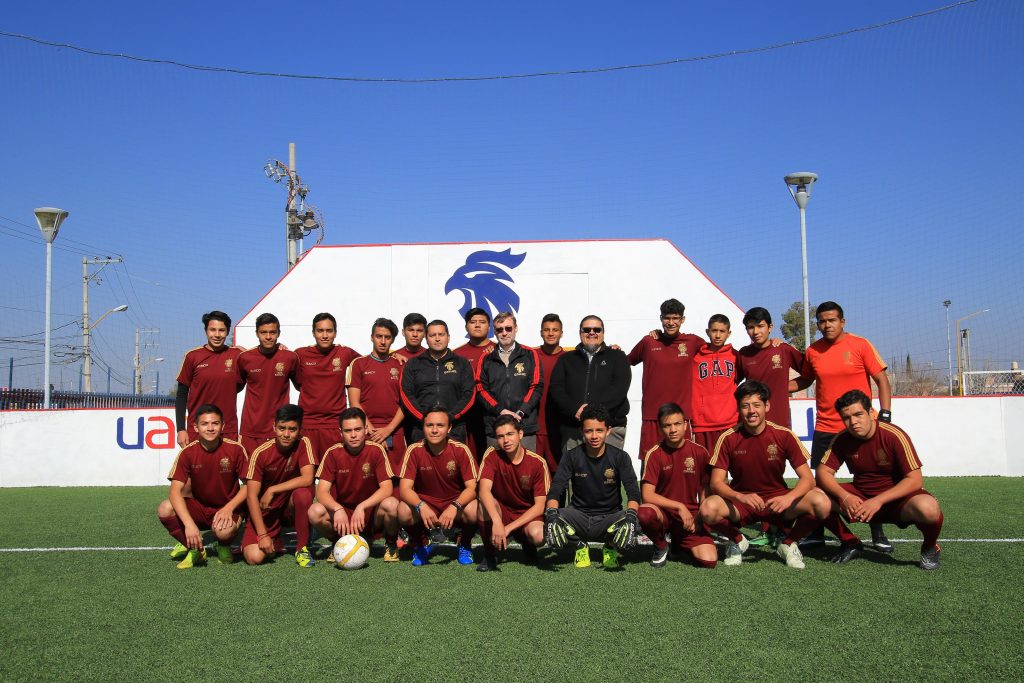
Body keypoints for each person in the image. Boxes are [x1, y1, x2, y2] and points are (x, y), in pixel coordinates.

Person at [699, 382, 860, 569]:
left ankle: (788, 544)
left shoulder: (783, 435)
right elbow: (716, 483)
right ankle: (737, 540)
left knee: (821, 502)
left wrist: (787, 498)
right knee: (707, 509)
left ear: (767, 406)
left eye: (757, 405)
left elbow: (808, 479)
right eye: (745, 406)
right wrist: (740, 496)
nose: (751, 411)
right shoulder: (728, 438)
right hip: (742, 501)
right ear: (738, 409)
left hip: (777, 500)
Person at [790, 301, 894, 551]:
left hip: (860, 427)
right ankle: (816, 531)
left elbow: (881, 379)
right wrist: (772, 387)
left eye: (831, 320)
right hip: (826, 427)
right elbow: (804, 380)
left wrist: (886, 415)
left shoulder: (860, 345)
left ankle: (876, 530)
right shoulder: (813, 351)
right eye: (822, 321)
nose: (826, 325)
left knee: (869, 480)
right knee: (819, 481)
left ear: (842, 322)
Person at [816, 390, 945, 569]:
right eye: (846, 418)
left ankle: (930, 547)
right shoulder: (842, 439)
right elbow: (823, 473)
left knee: (929, 508)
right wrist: (845, 496)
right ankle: (851, 542)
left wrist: (878, 501)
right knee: (814, 496)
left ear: (871, 413)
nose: (853, 422)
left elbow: (915, 480)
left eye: (858, 414)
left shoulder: (893, 435)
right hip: (861, 498)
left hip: (896, 502)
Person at [544, 404, 641, 569]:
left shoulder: (620, 457)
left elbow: (633, 493)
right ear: (582, 432)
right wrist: (552, 514)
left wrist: (630, 516)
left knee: (636, 521)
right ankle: (580, 546)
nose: (594, 436)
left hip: (609, 519)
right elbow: (555, 490)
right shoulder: (571, 457)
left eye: (599, 430)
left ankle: (610, 546)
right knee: (553, 518)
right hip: (579, 517)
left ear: (608, 430)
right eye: (589, 431)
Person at [158, 404, 248, 569]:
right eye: (205, 424)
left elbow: (249, 486)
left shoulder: (235, 449)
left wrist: (229, 507)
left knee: (224, 531)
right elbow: (174, 492)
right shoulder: (187, 453)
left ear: (223, 426)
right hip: (199, 508)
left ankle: (222, 545)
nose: (210, 428)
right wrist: (189, 524)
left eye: (215, 423)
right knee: (165, 508)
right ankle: (196, 550)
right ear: (195, 427)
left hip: (227, 508)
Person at [308, 407, 402, 562]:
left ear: (365, 429)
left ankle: (391, 543)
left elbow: (387, 488)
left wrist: (362, 506)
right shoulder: (332, 453)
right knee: (314, 511)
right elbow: (322, 492)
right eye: (348, 430)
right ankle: (337, 543)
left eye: (357, 429)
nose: (353, 435)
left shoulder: (377, 450)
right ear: (340, 432)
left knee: (391, 504)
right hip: (343, 514)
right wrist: (337, 509)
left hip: (369, 513)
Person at [397, 407, 480, 566]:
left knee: (474, 509)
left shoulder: (461, 449)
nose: (434, 430)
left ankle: (465, 543)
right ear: (423, 427)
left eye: (440, 426)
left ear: (449, 428)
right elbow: (404, 489)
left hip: (454, 504)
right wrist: (421, 506)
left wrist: (454, 506)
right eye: (429, 425)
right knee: (403, 510)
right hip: (426, 505)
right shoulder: (414, 450)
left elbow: (472, 488)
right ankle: (422, 543)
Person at [638, 403, 717, 569]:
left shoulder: (700, 452)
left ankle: (679, 544)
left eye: (677, 424)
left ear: (686, 424)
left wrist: (700, 516)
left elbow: (705, 489)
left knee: (709, 561)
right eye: (667, 425)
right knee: (645, 513)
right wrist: (679, 506)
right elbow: (647, 495)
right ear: (660, 428)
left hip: (690, 516)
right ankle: (661, 546)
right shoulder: (654, 453)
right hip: (664, 514)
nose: (673, 430)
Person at [240, 404, 317, 567]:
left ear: (299, 431)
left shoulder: (304, 443)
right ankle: (276, 540)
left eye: (292, 429)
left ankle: (301, 548)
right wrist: (262, 535)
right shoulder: (260, 453)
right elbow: (251, 496)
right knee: (254, 558)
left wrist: (273, 489)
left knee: (303, 494)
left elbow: (308, 478)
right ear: (273, 427)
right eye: (282, 428)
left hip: (289, 505)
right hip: (268, 509)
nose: (286, 434)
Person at [627, 299, 704, 458]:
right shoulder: (649, 341)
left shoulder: (693, 342)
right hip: (652, 416)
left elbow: (715, 352)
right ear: (661, 318)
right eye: (667, 318)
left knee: (683, 465)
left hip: (680, 417)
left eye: (675, 318)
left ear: (682, 320)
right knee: (650, 464)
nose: (670, 322)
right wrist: (613, 349)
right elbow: (626, 361)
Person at [475, 415, 550, 571]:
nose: (506, 440)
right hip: (502, 512)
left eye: (510, 434)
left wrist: (507, 529)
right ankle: (490, 553)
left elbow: (539, 506)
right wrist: (497, 521)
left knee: (539, 535)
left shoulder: (537, 462)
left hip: (526, 513)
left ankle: (528, 545)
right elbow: (483, 491)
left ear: (520, 434)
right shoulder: (492, 454)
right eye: (500, 436)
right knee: (483, 506)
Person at [548, 315, 631, 453]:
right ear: (580, 333)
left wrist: (591, 412)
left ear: (603, 333)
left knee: (608, 473)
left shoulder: (617, 357)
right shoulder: (566, 360)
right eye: (586, 329)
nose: (591, 332)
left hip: (609, 428)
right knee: (576, 474)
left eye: (597, 329)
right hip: (574, 429)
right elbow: (557, 389)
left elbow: (619, 389)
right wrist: (574, 409)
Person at [294, 312, 360, 464]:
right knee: (308, 475)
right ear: (313, 333)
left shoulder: (345, 353)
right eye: (320, 331)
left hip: (335, 424)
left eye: (329, 331)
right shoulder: (300, 354)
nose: (324, 335)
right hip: (307, 424)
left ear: (335, 333)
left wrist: (393, 355)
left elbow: (371, 361)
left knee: (336, 473)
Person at [399, 320, 475, 445]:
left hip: (454, 427)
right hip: (421, 427)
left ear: (448, 337)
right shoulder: (413, 364)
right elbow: (406, 394)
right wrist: (424, 418)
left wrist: (451, 417)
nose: (437, 339)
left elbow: (469, 394)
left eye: (441, 334)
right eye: (432, 335)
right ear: (426, 339)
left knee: (453, 464)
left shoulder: (462, 363)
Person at [175, 311, 244, 448]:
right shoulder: (192, 357)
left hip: (227, 429)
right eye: (213, 330)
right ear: (206, 331)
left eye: (222, 330)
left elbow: (262, 360)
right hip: (198, 430)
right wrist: (181, 429)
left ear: (228, 331)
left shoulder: (237, 355)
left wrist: (279, 347)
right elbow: (181, 395)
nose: (217, 335)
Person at [476, 311, 543, 452]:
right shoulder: (486, 357)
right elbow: (481, 388)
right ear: (494, 332)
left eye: (508, 328)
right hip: (496, 427)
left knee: (527, 472)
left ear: (516, 328)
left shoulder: (530, 354)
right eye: (499, 330)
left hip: (524, 426)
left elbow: (536, 386)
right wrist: (501, 411)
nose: (504, 333)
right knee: (497, 472)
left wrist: (521, 412)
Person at [347, 318, 406, 475]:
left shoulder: (401, 365)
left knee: (396, 481)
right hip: (367, 430)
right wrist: (372, 431)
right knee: (367, 478)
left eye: (387, 337)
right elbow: (354, 402)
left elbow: (405, 402)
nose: (383, 341)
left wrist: (388, 429)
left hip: (395, 430)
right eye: (379, 336)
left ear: (393, 339)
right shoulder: (358, 364)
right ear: (372, 337)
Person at [237, 312, 299, 456]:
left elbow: (302, 386)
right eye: (263, 332)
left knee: (279, 477)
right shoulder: (245, 358)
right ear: (257, 333)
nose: (268, 336)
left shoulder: (289, 357)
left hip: (281, 429)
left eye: (273, 332)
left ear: (279, 333)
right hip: (251, 430)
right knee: (250, 477)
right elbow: (232, 388)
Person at [736, 307, 803, 429]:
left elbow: (809, 375)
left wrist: (784, 386)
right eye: (751, 327)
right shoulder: (743, 354)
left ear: (770, 327)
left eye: (760, 326)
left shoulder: (783, 349)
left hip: (780, 422)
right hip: (752, 424)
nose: (755, 331)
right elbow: (732, 383)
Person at [690, 314, 739, 454]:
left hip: (730, 423)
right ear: (707, 332)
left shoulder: (736, 356)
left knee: (730, 469)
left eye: (722, 331)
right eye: (714, 331)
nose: (718, 335)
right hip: (702, 425)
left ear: (729, 333)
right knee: (706, 471)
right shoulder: (695, 356)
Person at [454, 307, 496, 459]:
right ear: (466, 326)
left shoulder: (498, 349)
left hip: (492, 412)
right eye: (473, 322)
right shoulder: (457, 354)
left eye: (482, 322)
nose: (477, 325)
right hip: (467, 413)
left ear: (489, 326)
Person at [535, 313, 566, 471]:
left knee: (557, 474)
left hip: (559, 428)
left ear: (562, 332)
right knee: (534, 474)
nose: (551, 333)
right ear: (541, 332)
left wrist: (612, 348)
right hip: (535, 427)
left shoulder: (569, 358)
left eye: (555, 330)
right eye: (547, 330)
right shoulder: (531, 355)